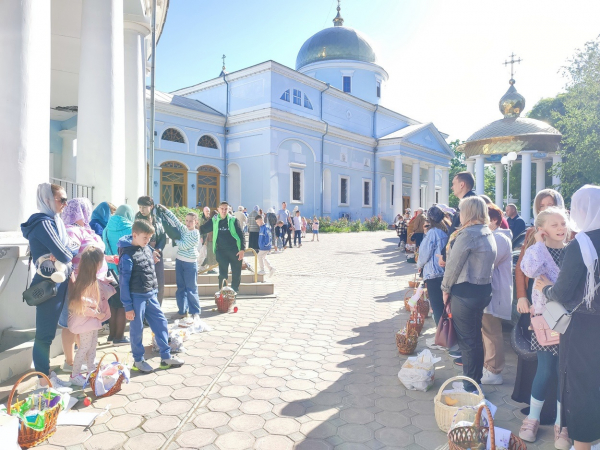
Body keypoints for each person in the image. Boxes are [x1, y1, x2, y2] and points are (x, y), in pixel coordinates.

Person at [535, 185, 600, 450]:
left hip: (583, 327)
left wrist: (544, 288)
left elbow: (561, 292)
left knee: (581, 384)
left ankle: (583, 444)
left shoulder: (580, 244)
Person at [512, 189, 566, 421]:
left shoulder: (570, 240)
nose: (545, 207)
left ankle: (558, 419)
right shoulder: (533, 236)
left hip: (565, 316)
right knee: (540, 366)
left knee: (561, 370)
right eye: (541, 205)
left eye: (550, 204)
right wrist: (522, 295)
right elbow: (524, 269)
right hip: (541, 312)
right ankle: (534, 415)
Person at [518, 207, 570, 447]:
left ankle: (562, 424)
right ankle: (533, 418)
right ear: (542, 229)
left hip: (571, 321)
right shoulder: (538, 251)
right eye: (554, 224)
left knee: (565, 373)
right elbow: (528, 270)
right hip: (544, 320)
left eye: (563, 223)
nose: (561, 228)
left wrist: (549, 286)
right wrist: (538, 243)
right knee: (545, 369)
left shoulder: (572, 251)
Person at [21, 183, 75, 389]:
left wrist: (63, 250)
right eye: (61, 199)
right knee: (44, 335)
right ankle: (43, 381)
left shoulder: (55, 222)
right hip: (47, 285)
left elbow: (71, 247)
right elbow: (66, 254)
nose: (65, 204)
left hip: (57, 283)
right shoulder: (44, 224)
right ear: (47, 200)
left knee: (49, 334)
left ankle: (46, 376)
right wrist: (62, 251)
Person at [441, 196, 496, 391]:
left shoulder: (468, 234)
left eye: (461, 210)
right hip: (482, 291)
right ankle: (475, 381)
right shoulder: (486, 231)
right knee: (474, 339)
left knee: (467, 341)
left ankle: (470, 386)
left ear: (469, 212)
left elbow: (453, 266)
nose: (459, 214)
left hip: (465, 292)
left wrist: (445, 290)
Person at [118, 220, 185, 372]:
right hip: (136, 298)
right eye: (145, 238)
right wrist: (128, 306)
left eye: (149, 238)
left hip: (150, 294)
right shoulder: (127, 256)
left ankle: (166, 357)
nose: (148, 241)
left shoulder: (146, 247)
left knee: (161, 323)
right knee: (137, 329)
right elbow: (123, 283)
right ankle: (138, 361)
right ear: (134, 235)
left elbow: (148, 266)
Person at [61, 197, 112, 373]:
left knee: (85, 324)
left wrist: (108, 259)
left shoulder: (87, 229)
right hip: (80, 284)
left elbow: (92, 253)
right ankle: (69, 362)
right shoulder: (70, 230)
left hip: (93, 284)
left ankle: (83, 359)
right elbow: (70, 253)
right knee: (72, 322)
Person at [67, 246, 114, 386]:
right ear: (96, 264)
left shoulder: (87, 279)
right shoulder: (87, 283)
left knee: (91, 346)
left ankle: (91, 370)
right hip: (85, 321)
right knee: (85, 347)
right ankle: (75, 374)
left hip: (90, 322)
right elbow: (82, 305)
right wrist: (97, 314)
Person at [481, 204, 513, 385]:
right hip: (490, 293)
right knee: (487, 331)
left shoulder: (499, 238)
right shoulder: (495, 236)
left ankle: (494, 370)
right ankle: (489, 367)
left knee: (492, 332)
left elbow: (487, 263)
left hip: (496, 293)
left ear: (494, 220)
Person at [157, 205, 200, 319]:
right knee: (180, 288)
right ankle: (182, 311)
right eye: (186, 220)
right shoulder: (184, 229)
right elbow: (175, 220)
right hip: (180, 261)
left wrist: (175, 240)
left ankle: (195, 312)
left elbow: (185, 245)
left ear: (196, 222)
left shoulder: (195, 233)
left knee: (191, 288)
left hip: (190, 264)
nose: (188, 223)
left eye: (191, 221)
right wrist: (165, 210)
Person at [102, 204, 135, 345]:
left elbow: (104, 247)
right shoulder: (131, 228)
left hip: (109, 271)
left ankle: (111, 335)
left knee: (112, 304)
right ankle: (119, 337)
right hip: (124, 270)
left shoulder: (107, 227)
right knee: (123, 304)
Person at [199, 201, 246, 292]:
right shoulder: (215, 220)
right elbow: (203, 229)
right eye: (222, 209)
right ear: (218, 209)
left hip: (234, 251)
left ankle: (234, 293)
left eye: (226, 209)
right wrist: (193, 227)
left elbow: (241, 234)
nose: (224, 211)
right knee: (222, 275)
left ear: (229, 209)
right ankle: (223, 294)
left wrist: (242, 250)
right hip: (221, 251)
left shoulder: (233, 220)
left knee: (236, 274)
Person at [416, 206, 449, 326]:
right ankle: (445, 334)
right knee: (444, 306)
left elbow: (424, 254)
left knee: (437, 306)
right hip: (444, 272)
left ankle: (442, 336)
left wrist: (419, 265)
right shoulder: (445, 232)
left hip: (433, 273)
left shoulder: (432, 233)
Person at [136, 196, 167, 306]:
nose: (141, 210)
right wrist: (150, 250)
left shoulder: (157, 219)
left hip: (157, 255)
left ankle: (157, 308)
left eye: (144, 207)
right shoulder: (137, 220)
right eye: (140, 207)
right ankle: (145, 314)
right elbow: (138, 239)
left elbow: (163, 237)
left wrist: (158, 249)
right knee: (146, 284)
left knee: (159, 283)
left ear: (151, 206)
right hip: (143, 256)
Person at [199, 206, 217, 273]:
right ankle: (205, 267)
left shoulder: (211, 219)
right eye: (206, 211)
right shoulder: (203, 219)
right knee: (208, 255)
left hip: (210, 240)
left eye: (208, 211)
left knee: (210, 255)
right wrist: (201, 238)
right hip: (208, 239)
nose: (208, 213)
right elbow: (201, 229)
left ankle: (208, 268)